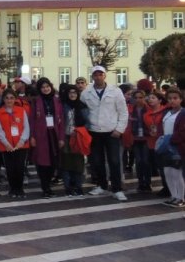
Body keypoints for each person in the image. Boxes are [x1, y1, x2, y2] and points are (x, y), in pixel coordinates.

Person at [80, 66, 129, 201]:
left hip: (112, 132)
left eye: (100, 74)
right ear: (92, 77)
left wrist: (119, 129)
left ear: (104, 76)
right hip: (94, 131)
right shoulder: (86, 93)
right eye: (95, 75)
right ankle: (101, 185)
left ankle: (117, 188)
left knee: (114, 161)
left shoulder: (115, 91)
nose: (98, 77)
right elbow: (82, 112)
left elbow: (123, 112)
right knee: (97, 161)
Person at [29, 78, 65, 198]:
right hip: (41, 135)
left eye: (47, 86)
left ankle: (48, 185)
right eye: (43, 87)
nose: (45, 89)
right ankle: (45, 187)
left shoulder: (57, 100)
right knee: (42, 162)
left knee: (53, 162)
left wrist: (61, 138)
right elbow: (32, 120)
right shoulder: (36, 101)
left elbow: (61, 121)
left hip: (54, 134)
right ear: (39, 89)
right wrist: (32, 136)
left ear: (50, 86)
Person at [0, 89, 30, 199]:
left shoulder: (21, 110)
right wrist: (6, 143)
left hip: (21, 145)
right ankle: (12, 188)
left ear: (15, 99)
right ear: (3, 99)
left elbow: (26, 127)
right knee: (10, 168)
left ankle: (20, 188)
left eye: (11, 98)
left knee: (20, 167)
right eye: (7, 98)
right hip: (7, 146)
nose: (9, 100)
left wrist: (22, 141)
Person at [59, 85, 89, 197]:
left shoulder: (81, 106)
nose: (72, 95)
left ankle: (78, 186)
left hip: (78, 137)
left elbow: (88, 122)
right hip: (66, 137)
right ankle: (68, 187)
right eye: (70, 92)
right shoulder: (62, 106)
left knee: (78, 163)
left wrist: (80, 130)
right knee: (66, 163)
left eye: (75, 93)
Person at [160, 88, 185, 207]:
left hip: (177, 146)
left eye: (175, 98)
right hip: (166, 146)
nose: (172, 101)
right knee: (167, 172)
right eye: (170, 98)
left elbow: (182, 131)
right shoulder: (167, 112)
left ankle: (181, 197)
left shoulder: (183, 113)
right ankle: (173, 196)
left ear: (181, 99)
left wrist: (172, 140)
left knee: (176, 173)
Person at [124, 89, 152, 192]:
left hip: (146, 137)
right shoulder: (131, 109)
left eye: (140, 97)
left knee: (146, 161)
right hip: (135, 138)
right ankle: (141, 183)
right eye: (136, 98)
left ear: (144, 98)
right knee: (138, 161)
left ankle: (147, 183)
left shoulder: (148, 109)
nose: (138, 100)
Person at [144, 92, 170, 197]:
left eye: (153, 98)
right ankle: (166, 187)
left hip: (165, 142)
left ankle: (171, 188)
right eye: (149, 98)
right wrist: (148, 132)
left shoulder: (166, 111)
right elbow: (145, 128)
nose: (150, 100)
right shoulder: (146, 114)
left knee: (168, 167)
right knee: (161, 167)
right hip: (153, 143)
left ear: (160, 100)